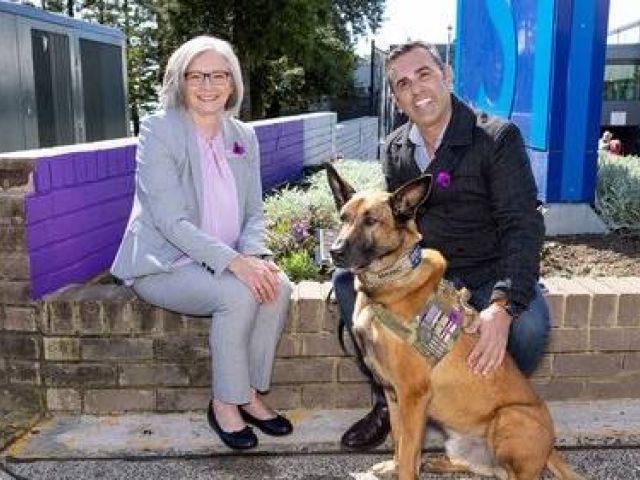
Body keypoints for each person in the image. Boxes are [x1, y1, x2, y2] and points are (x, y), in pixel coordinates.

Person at [332, 40, 550, 450]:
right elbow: (398, 223)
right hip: (428, 280)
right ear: (396, 98)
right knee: (347, 282)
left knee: (530, 324)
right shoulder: (396, 148)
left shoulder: (496, 138)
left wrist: (502, 306)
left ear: (447, 77)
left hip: (488, 274)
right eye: (402, 83)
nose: (416, 89)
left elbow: (522, 226)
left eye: (424, 74)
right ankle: (388, 396)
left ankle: (484, 410)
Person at [111, 36, 293, 450]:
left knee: (277, 287)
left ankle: (248, 393)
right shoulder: (160, 130)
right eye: (197, 75)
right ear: (181, 81)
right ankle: (224, 403)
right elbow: (169, 221)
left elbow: (254, 211)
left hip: (225, 260)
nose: (207, 85)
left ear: (232, 83)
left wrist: (252, 256)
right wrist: (235, 264)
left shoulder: (243, 134)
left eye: (218, 75)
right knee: (238, 295)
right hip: (162, 263)